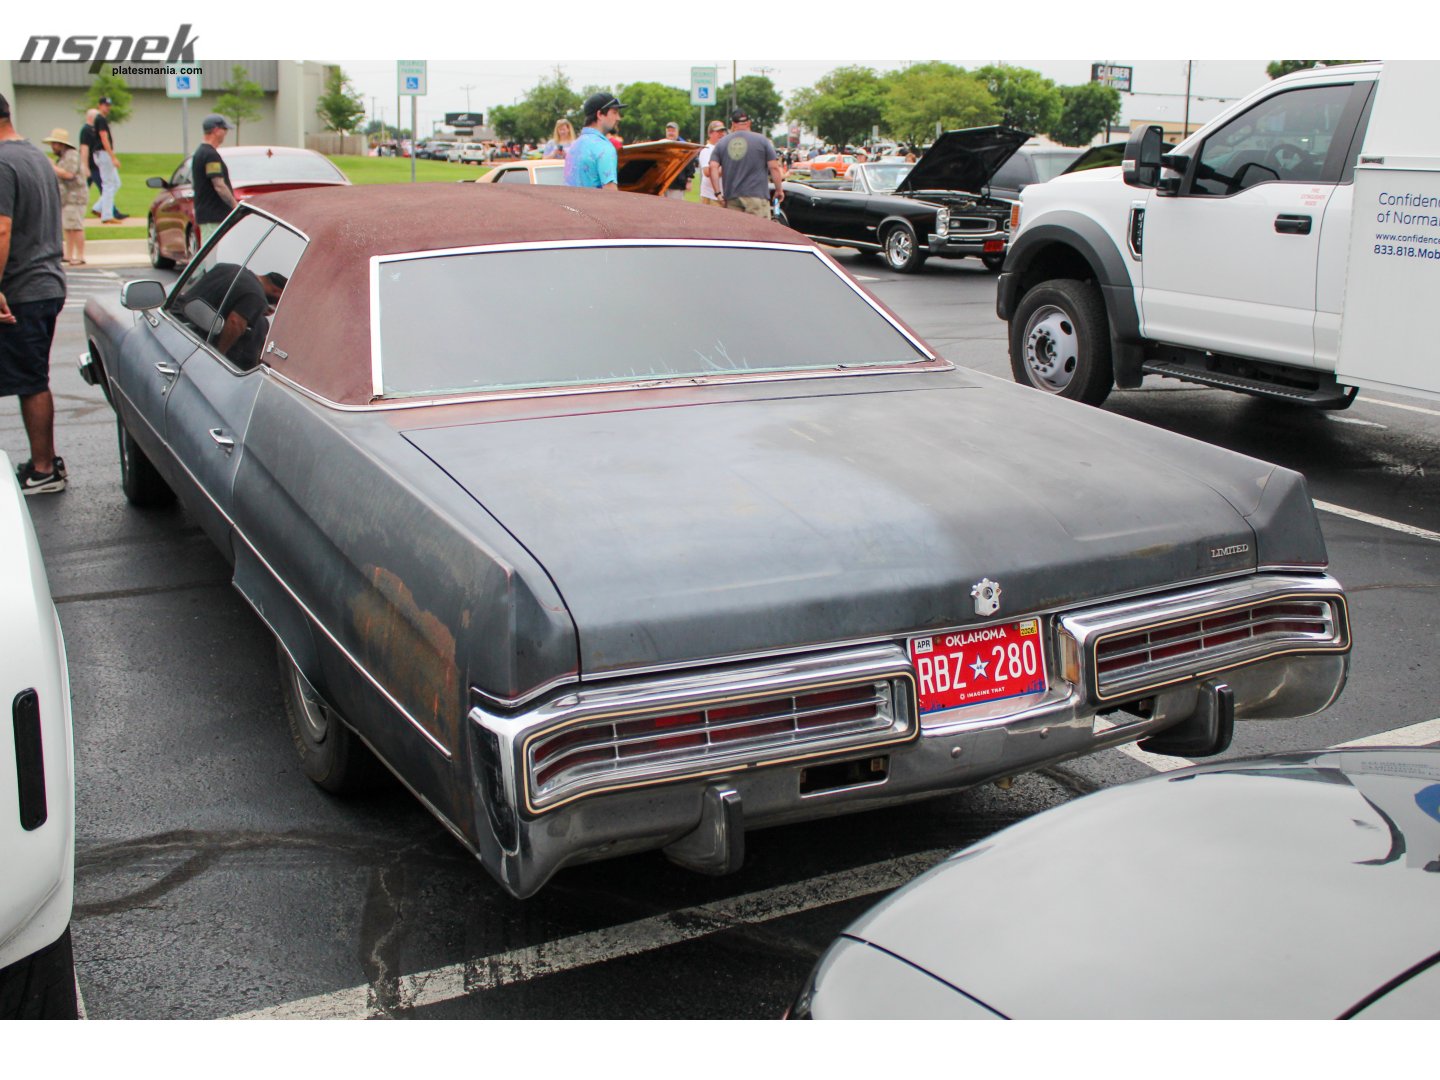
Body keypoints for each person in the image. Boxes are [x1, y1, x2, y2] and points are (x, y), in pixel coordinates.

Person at [0, 92, 68, 495]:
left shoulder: (3, 162)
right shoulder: (34, 157)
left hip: (23, 289)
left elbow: (2, 229)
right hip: (44, 282)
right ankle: (45, 463)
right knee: (31, 378)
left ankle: (44, 470)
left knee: (31, 381)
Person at [179, 264, 286, 368]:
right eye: (279, 301)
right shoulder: (257, 296)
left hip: (177, 321)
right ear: (276, 291)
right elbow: (235, 323)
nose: (276, 306)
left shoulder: (227, 268)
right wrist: (218, 356)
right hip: (192, 341)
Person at [707, 109, 785, 220]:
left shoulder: (722, 143)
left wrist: (718, 193)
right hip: (757, 197)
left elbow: (713, 167)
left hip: (732, 197)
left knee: (736, 234)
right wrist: (779, 190)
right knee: (758, 234)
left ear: (733, 124)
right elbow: (774, 167)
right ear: (749, 122)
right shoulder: (762, 140)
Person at [192, 114, 238, 248]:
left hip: (207, 214)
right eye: (224, 129)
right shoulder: (210, 155)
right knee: (211, 255)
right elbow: (218, 184)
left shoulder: (200, 152)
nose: (225, 133)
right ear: (216, 130)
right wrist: (235, 205)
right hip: (213, 215)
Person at [564, 92, 626, 190]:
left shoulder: (574, 146)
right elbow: (611, 195)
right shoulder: (604, 148)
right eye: (614, 112)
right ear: (600, 114)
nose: (618, 118)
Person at [45, 129, 86, 266]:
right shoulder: (63, 157)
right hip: (66, 198)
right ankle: (68, 255)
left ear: (62, 144)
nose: (53, 147)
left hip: (75, 197)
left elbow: (69, 174)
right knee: (68, 227)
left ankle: (80, 256)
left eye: (55, 144)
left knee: (76, 226)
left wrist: (52, 167)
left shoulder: (72, 155)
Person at [91, 96, 124, 224]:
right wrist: (113, 157)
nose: (107, 107)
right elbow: (104, 138)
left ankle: (98, 207)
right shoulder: (100, 119)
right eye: (105, 105)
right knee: (109, 184)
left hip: (102, 154)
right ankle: (107, 215)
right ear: (100, 105)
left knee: (116, 183)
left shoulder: (101, 119)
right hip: (103, 153)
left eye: (109, 105)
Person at [662, 121, 697, 200]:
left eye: (673, 131)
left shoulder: (684, 147)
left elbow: (690, 165)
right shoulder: (662, 145)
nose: (671, 133)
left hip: (677, 184)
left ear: (677, 132)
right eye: (669, 131)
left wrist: (689, 181)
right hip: (662, 184)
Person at [697, 120, 726, 206]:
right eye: (718, 131)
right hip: (711, 197)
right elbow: (707, 172)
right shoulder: (707, 150)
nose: (721, 134)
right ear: (710, 133)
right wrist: (727, 167)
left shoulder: (724, 149)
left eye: (722, 131)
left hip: (723, 196)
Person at [79, 108, 102, 212]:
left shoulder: (93, 130)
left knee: (84, 189)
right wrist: (85, 166)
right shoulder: (86, 130)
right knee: (105, 188)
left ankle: (104, 210)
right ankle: (107, 211)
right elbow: (84, 148)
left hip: (96, 165)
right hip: (91, 166)